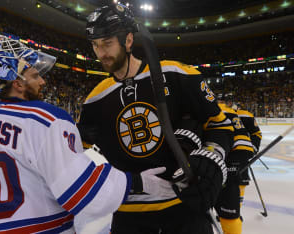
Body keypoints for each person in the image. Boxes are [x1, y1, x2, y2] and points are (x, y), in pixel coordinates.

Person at [0, 35, 175, 234]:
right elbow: (83, 193)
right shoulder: (46, 119)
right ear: (17, 83)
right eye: (36, 76)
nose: (42, 82)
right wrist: (136, 182)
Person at [78, 3, 233, 233]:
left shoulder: (176, 75)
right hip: (129, 215)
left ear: (128, 40)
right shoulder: (94, 100)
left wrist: (212, 155)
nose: (101, 53)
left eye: (107, 43)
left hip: (184, 206)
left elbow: (219, 125)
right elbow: (72, 155)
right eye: (95, 45)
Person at [215, 100, 255, 234]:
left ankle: (230, 211)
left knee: (229, 183)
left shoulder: (213, 109)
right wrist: (253, 149)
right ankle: (233, 211)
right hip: (243, 148)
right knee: (235, 181)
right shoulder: (232, 111)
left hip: (233, 150)